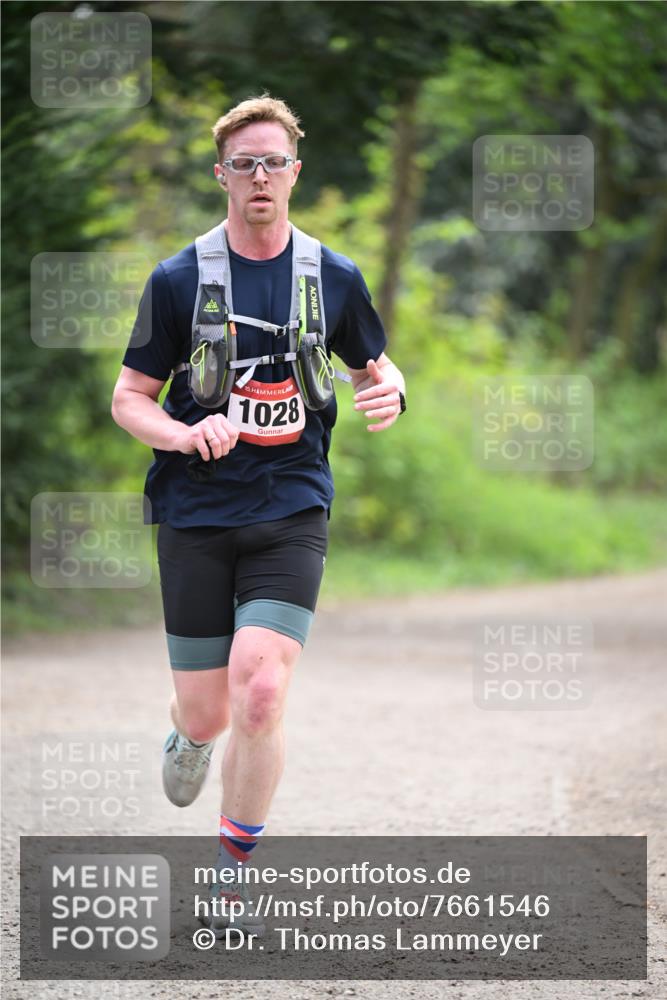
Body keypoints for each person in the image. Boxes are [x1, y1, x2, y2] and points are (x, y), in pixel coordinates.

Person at [111, 95, 406, 935]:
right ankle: (189, 736)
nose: (260, 176)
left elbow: (377, 366)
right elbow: (128, 399)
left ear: (295, 172)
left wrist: (393, 389)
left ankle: (230, 877)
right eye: (244, 163)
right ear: (222, 176)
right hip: (196, 512)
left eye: (273, 161)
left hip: (291, 505)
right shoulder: (178, 279)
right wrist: (180, 429)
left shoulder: (332, 275)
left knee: (265, 691)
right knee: (208, 711)